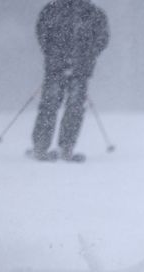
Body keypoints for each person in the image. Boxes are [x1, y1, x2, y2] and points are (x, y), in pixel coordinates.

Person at [31, 0, 109, 162]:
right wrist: (55, 54)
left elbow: (102, 39)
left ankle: (62, 147)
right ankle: (45, 146)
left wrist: (87, 54)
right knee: (55, 105)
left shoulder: (92, 13)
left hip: (75, 69)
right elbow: (42, 33)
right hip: (62, 68)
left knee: (68, 106)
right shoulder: (56, 9)